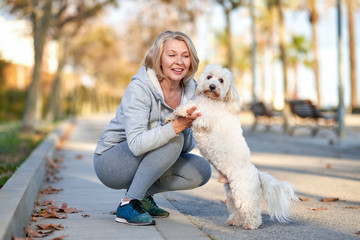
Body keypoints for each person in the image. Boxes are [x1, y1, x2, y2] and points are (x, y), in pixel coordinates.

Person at [93, 31, 212, 226]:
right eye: (171, 55)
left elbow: (184, 147)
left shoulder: (192, 91)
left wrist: (186, 126)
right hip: (111, 161)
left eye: (185, 55)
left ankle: (143, 197)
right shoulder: (140, 87)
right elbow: (136, 145)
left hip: (148, 154)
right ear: (159, 59)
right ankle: (128, 204)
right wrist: (176, 127)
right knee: (172, 137)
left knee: (200, 171)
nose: (179, 61)